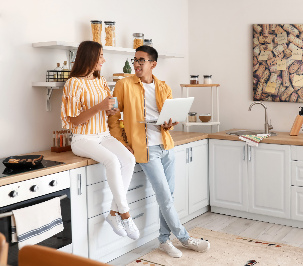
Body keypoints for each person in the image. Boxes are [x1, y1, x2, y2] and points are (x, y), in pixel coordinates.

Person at [108, 45, 210, 258]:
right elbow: (113, 117)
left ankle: (164, 240)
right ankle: (184, 238)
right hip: (145, 149)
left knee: (168, 197)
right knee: (164, 196)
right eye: (135, 60)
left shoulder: (163, 87)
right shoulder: (123, 85)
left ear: (153, 64)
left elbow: (169, 118)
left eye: (141, 60)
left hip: (166, 146)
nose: (137, 64)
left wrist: (169, 124)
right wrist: (121, 142)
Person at [61, 41, 139, 240]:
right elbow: (73, 120)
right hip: (82, 138)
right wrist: (99, 107)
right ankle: (125, 214)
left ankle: (113, 214)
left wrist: (113, 109)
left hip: (103, 135)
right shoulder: (73, 83)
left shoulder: (100, 80)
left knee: (129, 159)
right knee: (112, 161)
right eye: (100, 56)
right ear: (90, 57)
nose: (104, 59)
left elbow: (108, 107)